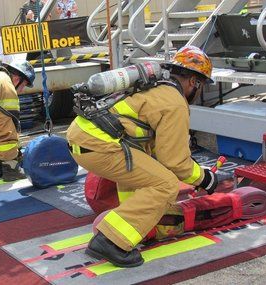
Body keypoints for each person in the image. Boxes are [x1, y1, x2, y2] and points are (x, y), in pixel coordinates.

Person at [66, 46, 218, 267]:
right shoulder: (175, 102)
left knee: (143, 174)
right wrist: (205, 178)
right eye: (201, 85)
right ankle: (109, 241)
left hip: (82, 138)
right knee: (166, 185)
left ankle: (127, 231)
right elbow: (174, 162)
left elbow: (157, 153)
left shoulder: (153, 87)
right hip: (100, 145)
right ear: (194, 82)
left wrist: (140, 226)